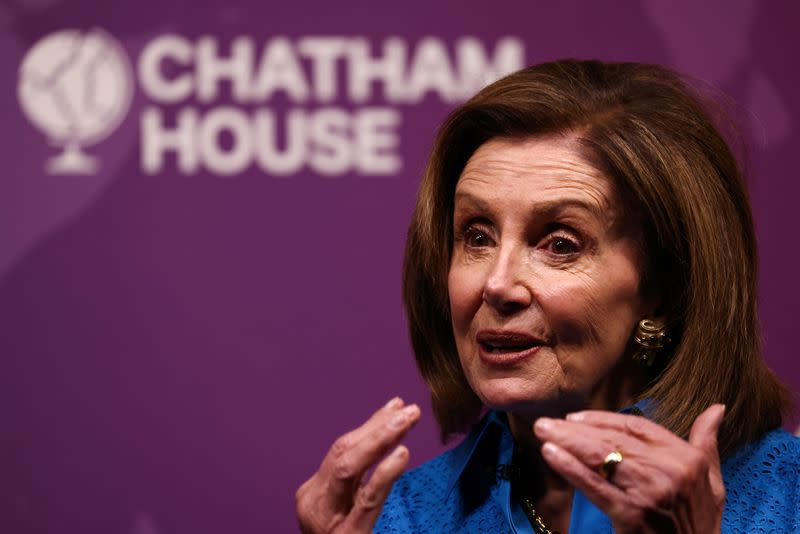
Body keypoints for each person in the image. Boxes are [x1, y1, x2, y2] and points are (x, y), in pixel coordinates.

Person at [295, 60, 800, 533]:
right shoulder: (402, 515)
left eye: (560, 244)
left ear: (663, 289)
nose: (496, 284)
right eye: (477, 236)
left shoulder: (787, 497)